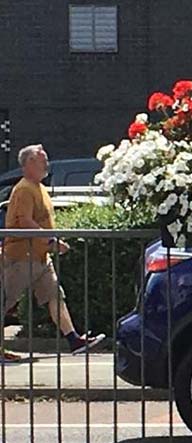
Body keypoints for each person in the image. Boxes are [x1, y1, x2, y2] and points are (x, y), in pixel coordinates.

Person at [2, 145, 103, 355]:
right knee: (5, 302)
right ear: (29, 163)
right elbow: (25, 222)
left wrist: (49, 243)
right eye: (42, 159)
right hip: (21, 257)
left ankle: (74, 340)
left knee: (55, 296)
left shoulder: (38, 188)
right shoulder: (23, 189)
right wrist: (50, 240)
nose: (46, 163)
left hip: (40, 256)